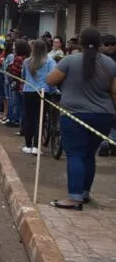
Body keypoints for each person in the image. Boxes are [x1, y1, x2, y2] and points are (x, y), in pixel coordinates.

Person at [46, 28, 116, 210]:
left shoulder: (70, 61)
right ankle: (84, 192)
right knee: (88, 155)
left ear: (80, 43)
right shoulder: (110, 64)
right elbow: (115, 92)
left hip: (74, 115)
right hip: (103, 116)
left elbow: (51, 80)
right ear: (100, 43)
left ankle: (74, 198)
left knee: (75, 154)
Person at [21, 39, 57, 155]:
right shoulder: (50, 62)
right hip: (42, 92)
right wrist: (53, 91)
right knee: (40, 119)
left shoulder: (27, 61)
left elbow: (24, 76)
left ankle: (27, 145)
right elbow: (52, 78)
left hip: (28, 91)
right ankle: (36, 146)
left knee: (29, 118)